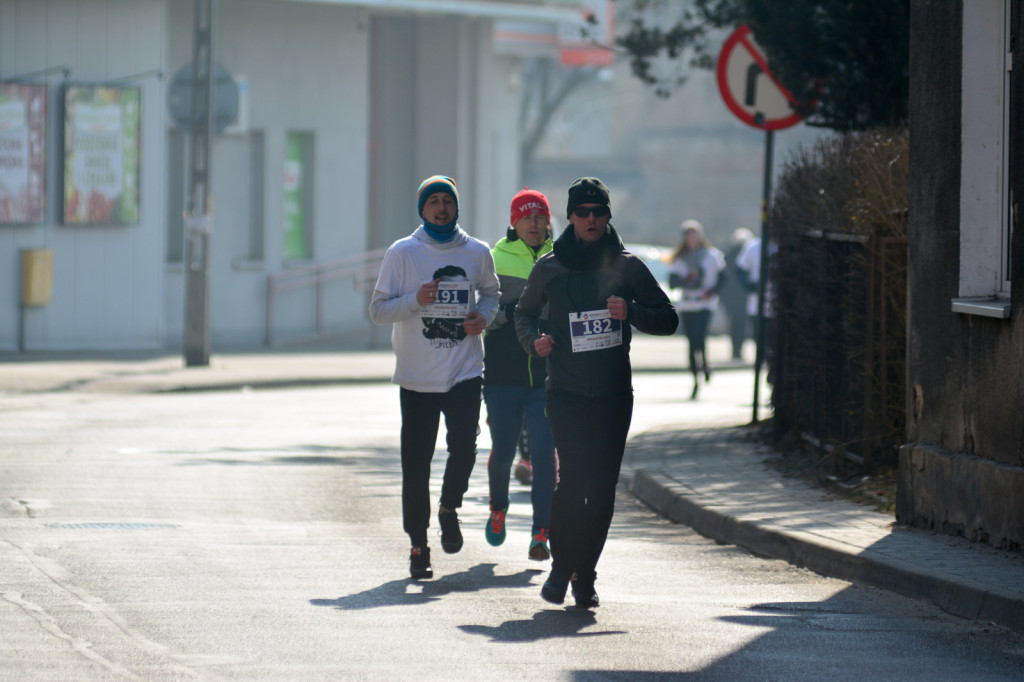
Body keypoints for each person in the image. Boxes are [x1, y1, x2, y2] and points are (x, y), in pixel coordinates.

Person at [515, 177, 678, 608]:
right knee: (573, 482)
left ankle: (584, 576)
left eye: (599, 212)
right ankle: (561, 569)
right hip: (565, 392)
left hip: (612, 394)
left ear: (607, 217)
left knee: (602, 488)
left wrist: (632, 311)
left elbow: (669, 318)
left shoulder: (627, 267)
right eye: (583, 212)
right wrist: (533, 342)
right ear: (570, 217)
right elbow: (523, 314)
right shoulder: (550, 266)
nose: (591, 219)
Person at [368, 174, 500, 580]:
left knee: (464, 448)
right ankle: (418, 545)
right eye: (434, 201)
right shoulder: (402, 253)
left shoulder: (477, 252)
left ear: (456, 207)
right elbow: (378, 310)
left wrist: (483, 317)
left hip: (464, 370)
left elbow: (491, 294)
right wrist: (415, 300)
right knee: (416, 464)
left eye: (448, 201)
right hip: (417, 377)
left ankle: (449, 507)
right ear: (422, 209)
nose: (442, 208)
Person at [482, 187, 557, 561]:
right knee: (503, 451)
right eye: (526, 217)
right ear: (514, 222)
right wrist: (509, 312)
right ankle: (498, 507)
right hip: (502, 375)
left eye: (540, 217)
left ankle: (541, 531)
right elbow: (480, 314)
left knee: (544, 456)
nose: (534, 223)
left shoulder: (562, 258)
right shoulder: (493, 259)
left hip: (547, 377)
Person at [668, 219, 725, 400]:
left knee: (700, 336)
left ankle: (705, 363)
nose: (692, 239)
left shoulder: (711, 255)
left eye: (695, 235)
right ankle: (695, 379)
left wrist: (712, 291)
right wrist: (686, 279)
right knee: (692, 342)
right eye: (688, 236)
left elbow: (723, 276)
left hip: (705, 303)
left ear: (700, 237)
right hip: (687, 304)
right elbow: (672, 282)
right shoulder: (680, 258)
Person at [722, 227, 755, 360]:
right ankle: (737, 350)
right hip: (741, 297)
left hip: (739, 297)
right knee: (741, 325)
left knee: (736, 325)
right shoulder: (735, 256)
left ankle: (736, 350)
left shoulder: (729, 256)